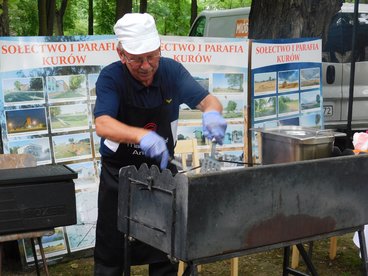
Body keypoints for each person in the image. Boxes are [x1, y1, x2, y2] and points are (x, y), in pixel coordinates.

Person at [93, 12, 227, 276]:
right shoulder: (111, 78)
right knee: (112, 255)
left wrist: (212, 113)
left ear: (159, 49)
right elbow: (103, 124)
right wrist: (140, 136)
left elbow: (209, 100)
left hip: (162, 174)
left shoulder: (171, 71)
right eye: (137, 59)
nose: (146, 66)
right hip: (119, 178)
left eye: (152, 56)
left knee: (167, 251)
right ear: (122, 55)